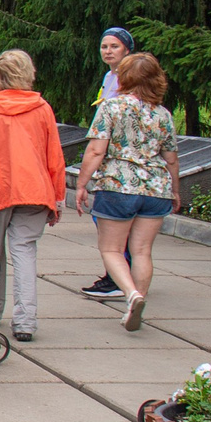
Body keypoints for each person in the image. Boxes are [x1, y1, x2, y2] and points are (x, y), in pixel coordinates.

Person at [75, 51, 183, 332]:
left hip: (118, 186)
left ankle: (131, 295)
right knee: (142, 251)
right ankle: (137, 303)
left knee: (111, 249)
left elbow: (96, 150)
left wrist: (82, 184)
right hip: (156, 189)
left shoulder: (111, 107)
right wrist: (175, 190)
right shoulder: (163, 114)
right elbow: (171, 158)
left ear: (123, 77)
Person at [0, 49, 64, 342]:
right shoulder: (42, 108)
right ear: (28, 74)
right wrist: (57, 197)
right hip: (35, 190)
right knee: (25, 252)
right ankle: (25, 322)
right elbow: (54, 156)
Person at [79, 26, 135, 303]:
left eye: (114, 46)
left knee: (113, 223)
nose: (108, 51)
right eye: (104, 46)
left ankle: (118, 279)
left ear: (127, 49)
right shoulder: (110, 76)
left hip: (119, 158)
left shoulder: (129, 77)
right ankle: (124, 278)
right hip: (110, 156)